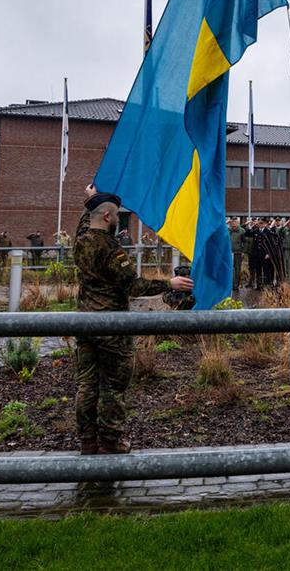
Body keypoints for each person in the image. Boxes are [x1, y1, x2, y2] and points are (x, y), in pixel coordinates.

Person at [73, 187, 194, 454]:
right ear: (107, 217)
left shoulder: (81, 240)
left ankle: (87, 440)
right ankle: (110, 439)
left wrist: (88, 200)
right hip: (111, 326)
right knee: (113, 386)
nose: (119, 219)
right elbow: (133, 285)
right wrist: (169, 283)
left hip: (84, 324)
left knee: (87, 384)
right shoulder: (110, 249)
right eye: (116, 216)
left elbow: (86, 221)